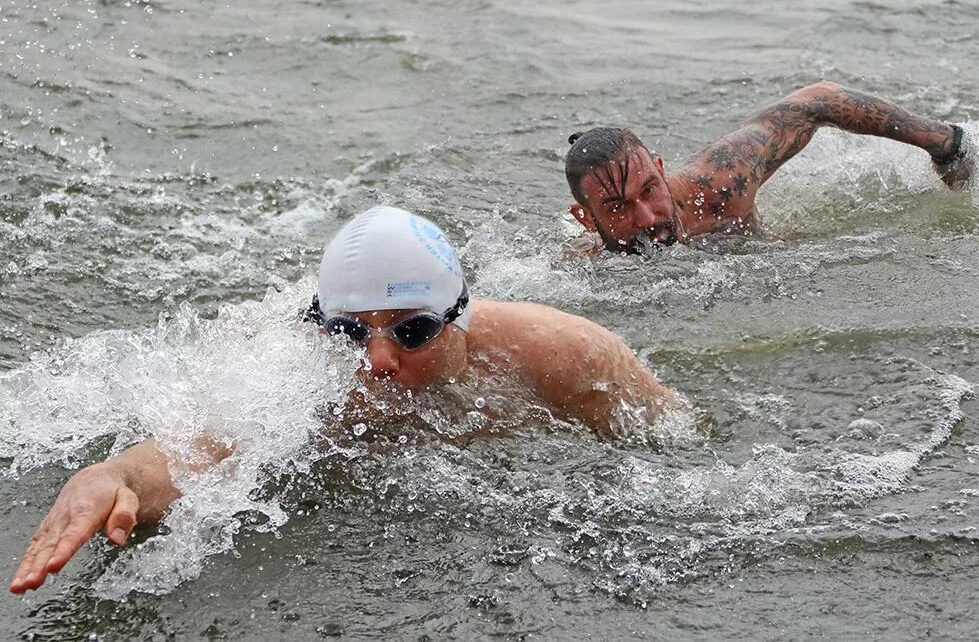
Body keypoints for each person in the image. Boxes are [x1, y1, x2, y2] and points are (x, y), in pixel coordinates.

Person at [9, 205, 682, 594]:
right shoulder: (301, 366)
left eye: (413, 331)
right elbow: (201, 452)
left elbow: (681, 445)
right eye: (349, 332)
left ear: (459, 315)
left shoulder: (561, 354)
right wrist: (114, 475)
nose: (378, 360)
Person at [564, 81, 976, 253]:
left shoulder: (721, 183)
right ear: (586, 220)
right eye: (617, 208)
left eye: (649, 189)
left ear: (659, 168)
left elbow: (817, 100)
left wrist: (942, 143)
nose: (648, 217)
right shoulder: (586, 268)